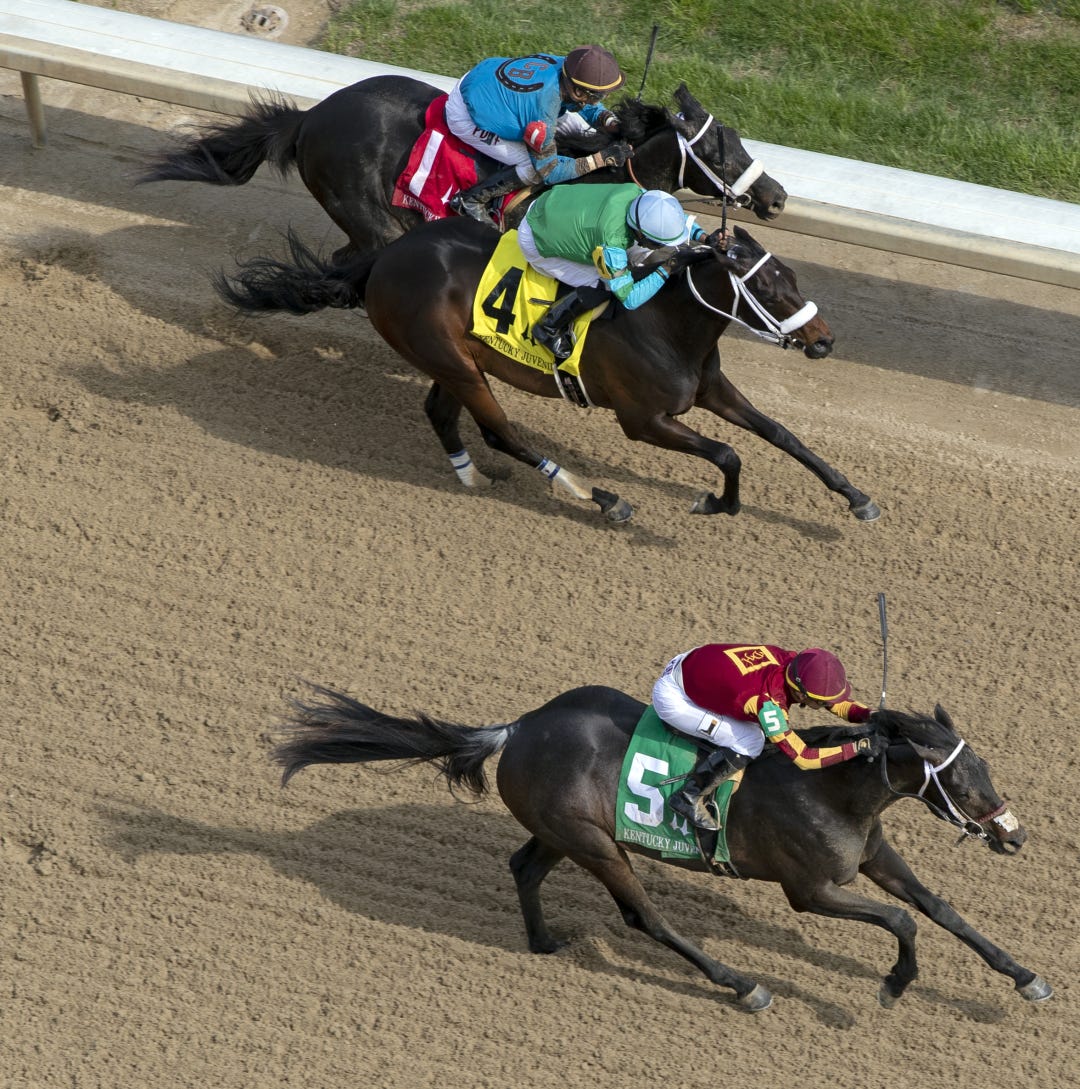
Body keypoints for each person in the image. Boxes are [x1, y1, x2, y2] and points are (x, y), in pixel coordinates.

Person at [652, 644, 877, 831]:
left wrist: (871, 715)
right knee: (752, 740)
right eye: (822, 702)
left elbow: (835, 702)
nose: (828, 704)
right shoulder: (768, 704)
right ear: (800, 694)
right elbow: (803, 757)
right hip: (674, 698)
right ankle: (688, 796)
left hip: (691, 661)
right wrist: (857, 747)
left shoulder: (792, 662)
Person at [518, 184, 720, 360]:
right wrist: (668, 267)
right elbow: (629, 299)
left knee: (639, 253)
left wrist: (704, 237)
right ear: (641, 233)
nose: (662, 247)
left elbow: (668, 215)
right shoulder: (612, 245)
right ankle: (548, 328)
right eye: (660, 243)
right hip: (535, 239)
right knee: (603, 284)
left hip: (551, 203)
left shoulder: (638, 196)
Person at [445, 46, 632, 223]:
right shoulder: (544, 111)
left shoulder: (569, 69)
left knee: (578, 126)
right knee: (532, 168)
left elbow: (585, 103)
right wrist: (599, 160)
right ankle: (471, 200)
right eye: (601, 95)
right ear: (577, 91)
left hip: (485, 78)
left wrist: (610, 121)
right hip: (465, 114)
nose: (604, 98)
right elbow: (550, 171)